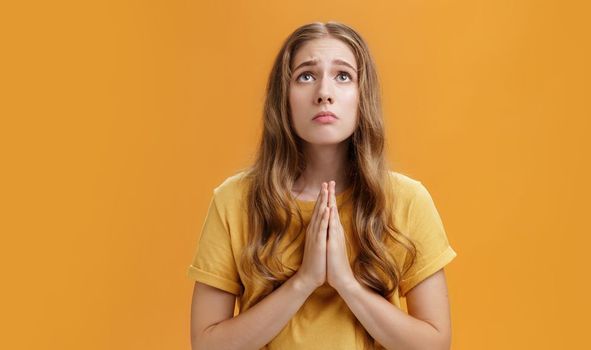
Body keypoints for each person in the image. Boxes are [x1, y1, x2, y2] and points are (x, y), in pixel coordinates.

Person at [187, 21, 457, 350]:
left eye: (343, 76)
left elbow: (434, 345)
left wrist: (345, 282)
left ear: (363, 95)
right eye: (306, 76)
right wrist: (304, 281)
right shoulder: (233, 200)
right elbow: (207, 345)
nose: (324, 93)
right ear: (283, 97)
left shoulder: (408, 201)